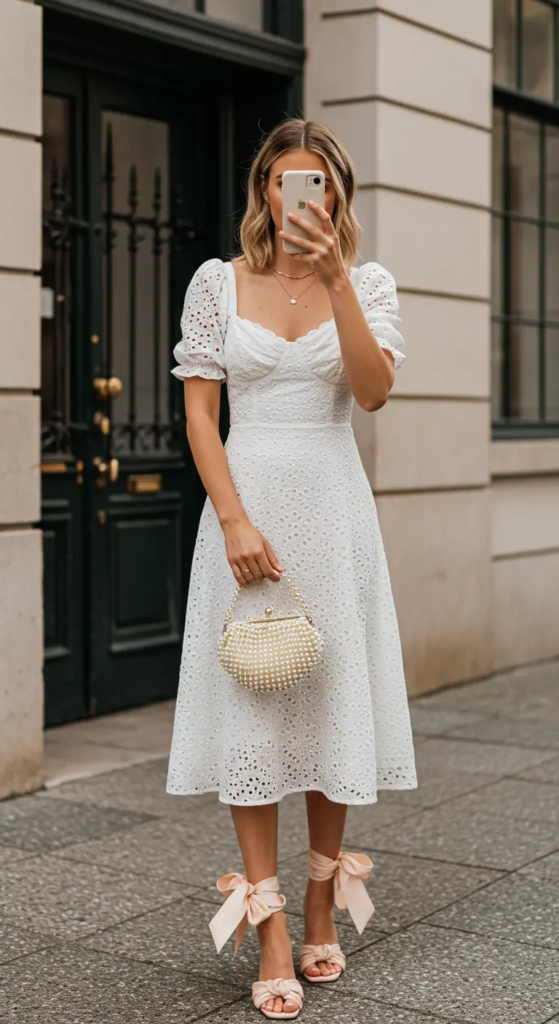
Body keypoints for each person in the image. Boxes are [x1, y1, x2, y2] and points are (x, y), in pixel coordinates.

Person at [166, 118, 417, 1020]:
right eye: (285, 181)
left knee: (327, 698)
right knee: (255, 704)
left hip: (334, 509)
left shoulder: (372, 282)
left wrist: (340, 277)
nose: (299, 197)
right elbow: (200, 415)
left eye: (318, 182)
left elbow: (373, 390)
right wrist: (232, 518)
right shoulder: (216, 282)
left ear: (337, 194)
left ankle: (320, 899)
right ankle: (270, 921)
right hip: (248, 512)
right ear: (263, 190)